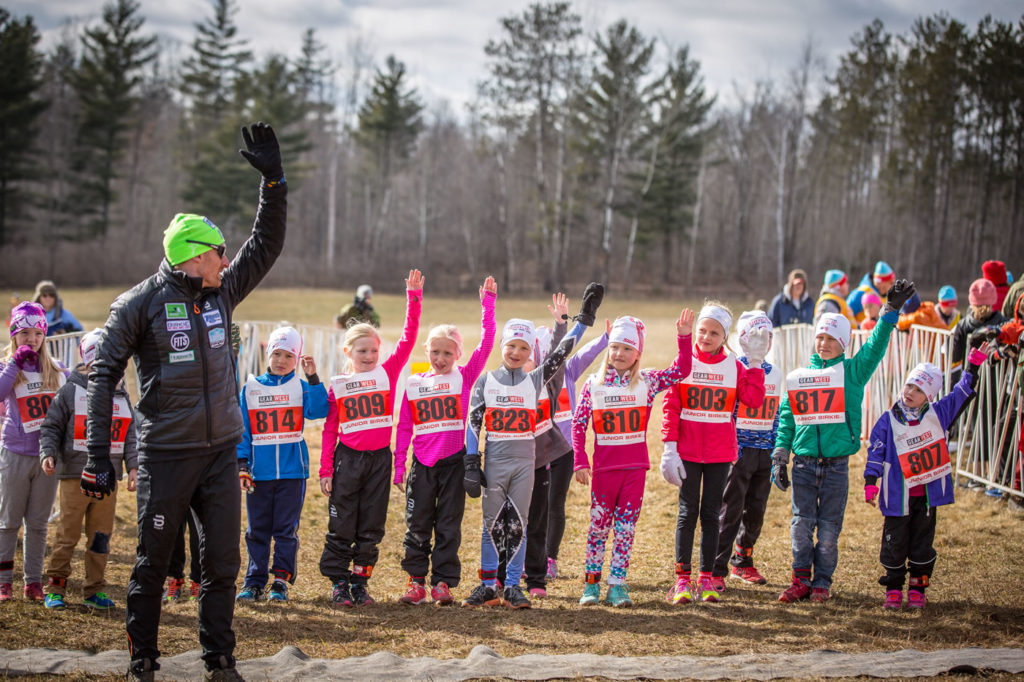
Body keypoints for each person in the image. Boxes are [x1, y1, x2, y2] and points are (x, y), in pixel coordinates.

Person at [82, 122, 286, 682]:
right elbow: (103, 376)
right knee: (151, 565)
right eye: (219, 253)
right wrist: (100, 455)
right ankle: (142, 660)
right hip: (166, 455)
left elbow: (265, 246)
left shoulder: (222, 291)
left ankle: (220, 661)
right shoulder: (138, 305)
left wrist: (273, 182)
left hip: (221, 451)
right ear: (195, 256)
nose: (227, 260)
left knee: (223, 565)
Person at [771, 279, 916, 603]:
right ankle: (800, 580)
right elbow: (787, 418)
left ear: (843, 344)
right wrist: (781, 455)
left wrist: (890, 311)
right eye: (820, 337)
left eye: (831, 339)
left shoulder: (852, 372)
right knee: (800, 526)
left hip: (836, 467)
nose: (824, 343)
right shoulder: (799, 378)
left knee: (828, 533)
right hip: (805, 465)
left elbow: (876, 345)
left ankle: (822, 583)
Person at [461, 284, 603, 610]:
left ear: (530, 353)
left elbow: (563, 351)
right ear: (503, 346)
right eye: (511, 346)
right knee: (492, 524)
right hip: (496, 461)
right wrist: (471, 462)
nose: (516, 353)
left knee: (520, 525)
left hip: (526, 464)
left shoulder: (535, 379)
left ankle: (512, 587)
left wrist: (584, 319)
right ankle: (487, 586)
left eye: (523, 348)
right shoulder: (486, 381)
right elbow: (473, 423)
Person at [572, 311, 693, 607]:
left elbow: (681, 370)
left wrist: (684, 337)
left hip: (634, 472)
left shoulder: (648, 382)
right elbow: (578, 424)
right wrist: (580, 459)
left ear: (638, 352)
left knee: (626, 529)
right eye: (615, 347)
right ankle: (591, 585)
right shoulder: (593, 384)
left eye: (627, 348)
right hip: (603, 471)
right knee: (598, 527)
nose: (619, 353)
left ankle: (618, 584)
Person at [319, 270, 423, 608]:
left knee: (371, 525)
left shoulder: (388, 373)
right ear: (348, 352)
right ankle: (338, 583)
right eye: (362, 351)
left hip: (380, 459)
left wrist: (413, 299)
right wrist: (325, 470)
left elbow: (408, 340)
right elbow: (330, 429)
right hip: (347, 459)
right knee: (343, 522)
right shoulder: (338, 385)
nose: (369, 356)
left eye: (374, 351)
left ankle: (361, 582)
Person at [394, 277, 497, 606]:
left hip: (454, 466)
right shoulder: (414, 383)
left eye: (447, 353)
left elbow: (488, 342)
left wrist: (488, 306)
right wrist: (399, 466)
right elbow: (404, 427)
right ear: (427, 351)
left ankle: (442, 584)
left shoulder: (465, 376)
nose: (441, 358)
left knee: (449, 527)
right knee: (418, 525)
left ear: (458, 354)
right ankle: (415, 582)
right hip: (422, 466)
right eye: (435, 352)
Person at [662, 303, 768, 604]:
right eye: (702, 331)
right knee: (687, 513)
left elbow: (753, 399)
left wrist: (757, 362)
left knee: (711, 514)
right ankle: (682, 580)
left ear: (724, 337)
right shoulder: (684, 363)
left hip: (720, 454)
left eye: (714, 333)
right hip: (688, 453)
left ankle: (706, 578)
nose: (706, 337)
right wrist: (669, 448)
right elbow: (671, 407)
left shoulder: (734, 366)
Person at [864, 355, 983, 608]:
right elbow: (875, 451)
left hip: (927, 495)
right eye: (909, 385)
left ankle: (918, 588)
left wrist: (972, 365)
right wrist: (870, 481)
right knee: (894, 543)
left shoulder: (938, 415)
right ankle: (894, 588)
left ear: (928, 396)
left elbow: (961, 393)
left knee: (921, 544)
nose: (911, 392)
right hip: (898, 496)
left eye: (919, 389)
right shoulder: (888, 419)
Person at [39, 328, 138, 610]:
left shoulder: (122, 395)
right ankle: (55, 587)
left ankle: (94, 589)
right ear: (89, 361)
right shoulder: (70, 390)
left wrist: (133, 466)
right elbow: (51, 426)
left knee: (100, 536)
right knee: (67, 535)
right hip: (75, 477)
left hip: (108, 481)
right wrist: (48, 453)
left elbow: (130, 435)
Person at [236, 326, 329, 603]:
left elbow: (319, 410)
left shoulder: (300, 387)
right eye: (277, 354)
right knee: (257, 529)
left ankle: (280, 580)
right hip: (259, 474)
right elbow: (243, 430)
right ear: (268, 354)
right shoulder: (250, 389)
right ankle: (254, 581)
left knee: (286, 530)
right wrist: (242, 464)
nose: (281, 361)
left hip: (292, 472)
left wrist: (313, 377)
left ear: (296, 359)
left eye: (289, 356)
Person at [0, 302, 68, 602]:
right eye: (24, 332)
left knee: (38, 523)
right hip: (14, 453)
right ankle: (4, 582)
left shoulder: (55, 370)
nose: (32, 339)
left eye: (38, 333)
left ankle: (33, 582)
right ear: (14, 334)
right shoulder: (7, 367)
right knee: (8, 522)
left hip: (46, 457)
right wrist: (15, 363)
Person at [712, 311, 780, 587]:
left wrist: (776, 450)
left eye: (768, 336)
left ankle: (743, 561)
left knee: (756, 510)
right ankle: (716, 568)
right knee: (730, 510)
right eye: (756, 336)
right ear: (742, 338)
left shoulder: (775, 371)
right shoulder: (734, 368)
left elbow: (777, 412)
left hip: (765, 451)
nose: (763, 341)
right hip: (737, 451)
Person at [541, 322, 609, 585]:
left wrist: (605, 338)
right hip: (538, 449)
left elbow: (585, 354)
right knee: (536, 505)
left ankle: (550, 558)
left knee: (554, 503)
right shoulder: (533, 376)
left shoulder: (568, 371)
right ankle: (530, 556)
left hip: (565, 449)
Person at [950, 279, 1006, 380]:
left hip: (969, 382)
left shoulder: (963, 325)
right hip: (997, 384)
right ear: (993, 299)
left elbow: (955, 356)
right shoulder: (1004, 324)